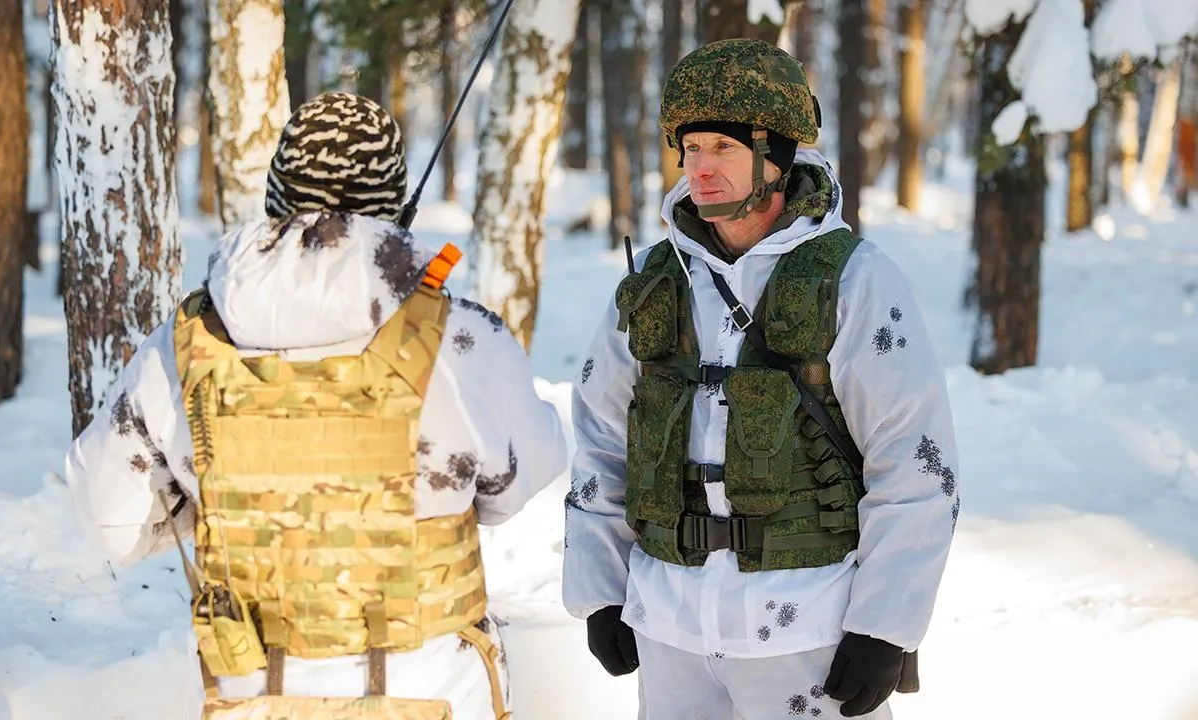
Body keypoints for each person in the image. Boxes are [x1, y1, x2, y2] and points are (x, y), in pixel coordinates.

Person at [64, 91, 567, 720]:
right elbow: (523, 483)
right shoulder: (460, 339)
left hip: (253, 690)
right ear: (391, 203)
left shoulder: (187, 345)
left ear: (277, 194)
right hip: (431, 688)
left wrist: (238, 504)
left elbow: (109, 517)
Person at [562, 39, 959, 720]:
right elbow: (601, 436)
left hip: (806, 630)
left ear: (776, 155)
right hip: (670, 626)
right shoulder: (656, 282)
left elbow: (915, 463)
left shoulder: (857, 280)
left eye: (722, 147)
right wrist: (600, 589)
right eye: (690, 150)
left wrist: (885, 626)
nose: (700, 169)